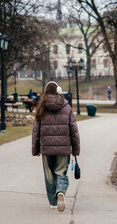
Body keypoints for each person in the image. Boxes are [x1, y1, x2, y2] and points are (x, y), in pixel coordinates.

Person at [32, 81, 80, 212]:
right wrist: (75, 150)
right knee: (61, 173)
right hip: (63, 148)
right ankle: (60, 192)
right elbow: (74, 130)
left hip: (46, 148)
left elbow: (36, 131)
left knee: (49, 175)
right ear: (59, 90)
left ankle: (53, 203)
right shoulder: (66, 107)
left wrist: (36, 149)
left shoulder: (41, 107)